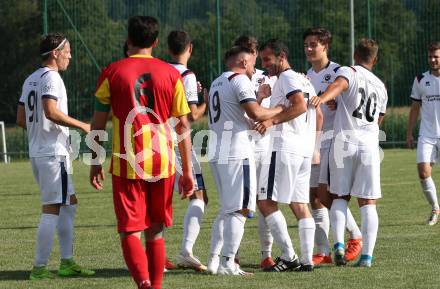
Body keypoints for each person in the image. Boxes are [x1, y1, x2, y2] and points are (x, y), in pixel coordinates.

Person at [89, 16, 194, 289]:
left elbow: (98, 123)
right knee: (156, 228)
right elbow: (183, 125)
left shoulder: (112, 72)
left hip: (127, 160)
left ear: (128, 40)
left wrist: (95, 161)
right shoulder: (172, 74)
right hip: (163, 160)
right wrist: (189, 172)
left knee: (130, 228)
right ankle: (155, 286)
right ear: (156, 42)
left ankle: (144, 283)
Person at [16, 33, 94, 280]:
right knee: (52, 209)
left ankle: (67, 262)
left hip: (41, 152)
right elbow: (51, 111)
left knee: (69, 205)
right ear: (55, 53)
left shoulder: (30, 79)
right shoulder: (52, 77)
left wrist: (40, 133)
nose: (70, 55)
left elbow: (20, 119)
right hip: (52, 154)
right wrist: (82, 125)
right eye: (67, 50)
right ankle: (39, 268)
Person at [310, 38, 388, 267]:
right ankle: (367, 257)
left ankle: (340, 247)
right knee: (368, 202)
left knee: (339, 197)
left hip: (344, 142)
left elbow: (340, 85)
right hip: (369, 145)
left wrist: (323, 98)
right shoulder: (381, 86)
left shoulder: (349, 70)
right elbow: (378, 119)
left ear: (355, 55)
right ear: (375, 59)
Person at [206, 45, 283, 275]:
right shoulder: (239, 81)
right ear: (242, 62)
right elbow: (256, 113)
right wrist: (281, 108)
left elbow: (242, 114)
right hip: (236, 152)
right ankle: (229, 262)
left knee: (227, 209)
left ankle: (214, 260)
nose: (253, 67)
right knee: (240, 209)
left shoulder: (217, 82)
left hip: (217, 150)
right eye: (250, 62)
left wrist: (258, 98)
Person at [255, 39, 321, 272]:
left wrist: (271, 120)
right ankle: (306, 260)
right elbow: (318, 115)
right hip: (302, 150)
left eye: (267, 59)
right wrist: (313, 145)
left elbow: (300, 106)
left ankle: (289, 256)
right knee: (299, 205)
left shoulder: (287, 77)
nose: (265, 65)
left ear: (281, 56)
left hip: (285, 147)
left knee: (264, 201)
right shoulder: (305, 80)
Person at [303, 27, 363, 265]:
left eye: (313, 45)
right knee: (314, 196)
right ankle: (323, 250)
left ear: (325, 46)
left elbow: (354, 99)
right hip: (317, 141)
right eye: (306, 44)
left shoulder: (339, 72)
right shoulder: (307, 75)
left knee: (326, 195)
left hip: (336, 142)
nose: (309, 49)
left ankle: (355, 235)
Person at [167, 30, 208, 271]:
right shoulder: (186, 74)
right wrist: (204, 102)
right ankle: (185, 252)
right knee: (198, 195)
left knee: (161, 197)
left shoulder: (160, 70)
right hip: (177, 139)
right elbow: (191, 115)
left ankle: (158, 255)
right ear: (189, 48)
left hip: (157, 139)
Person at [406, 42, 440, 226]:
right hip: (426, 135)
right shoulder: (420, 79)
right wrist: (409, 133)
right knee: (423, 171)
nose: (433, 60)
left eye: (436, 56)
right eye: (430, 57)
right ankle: (435, 208)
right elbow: (414, 108)